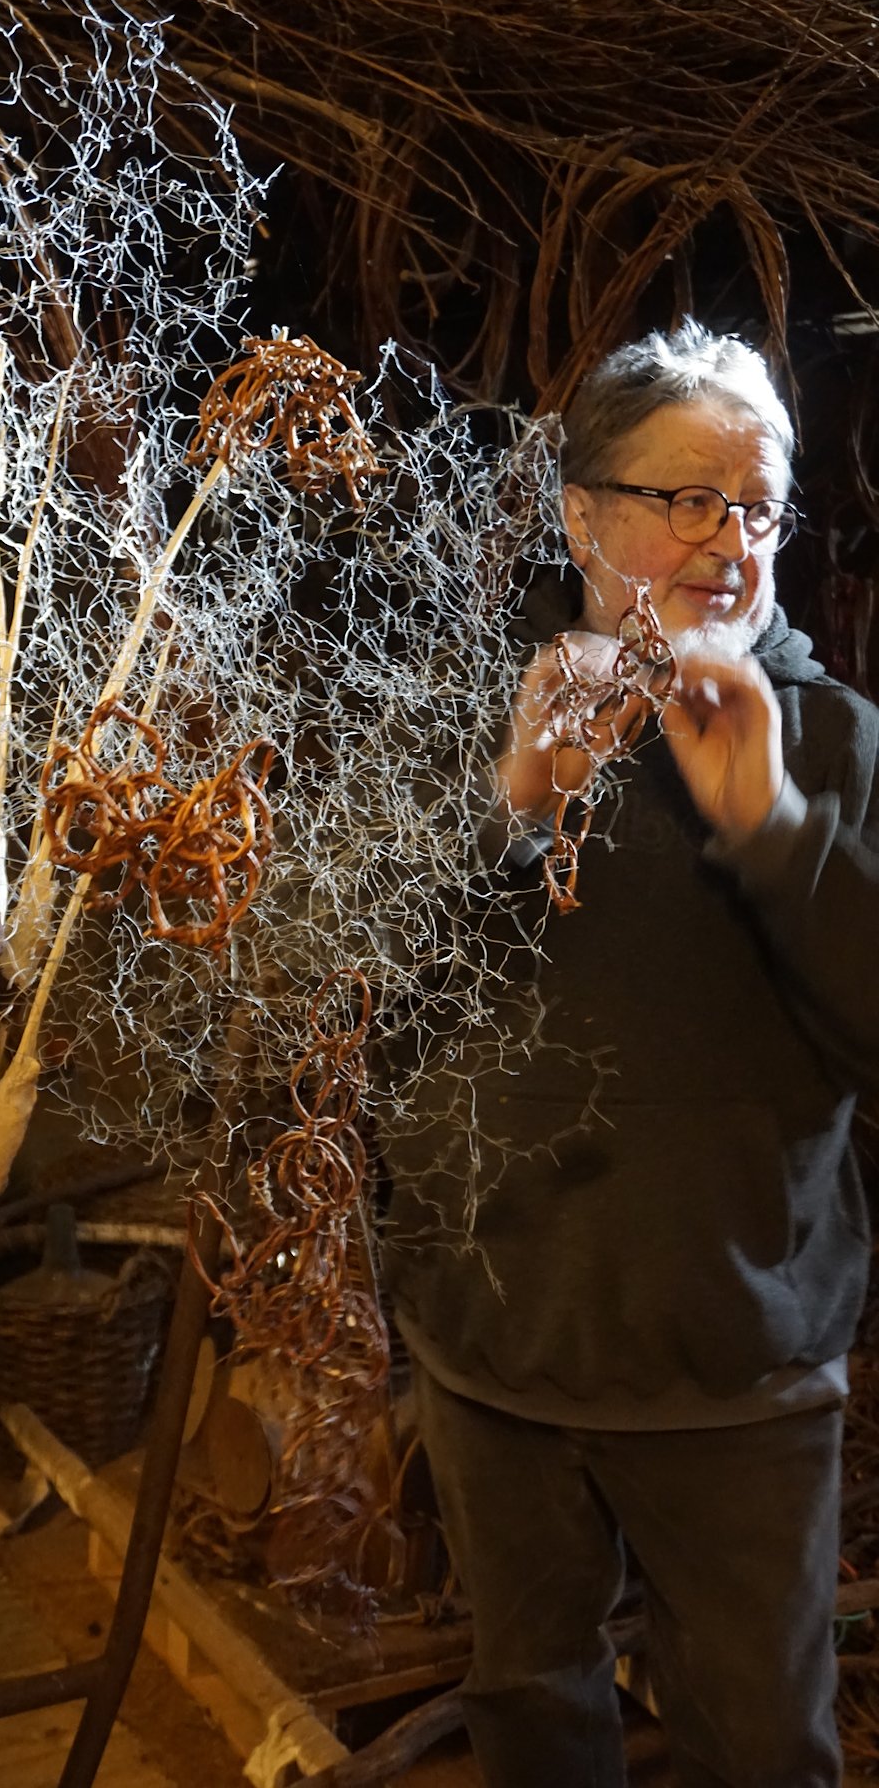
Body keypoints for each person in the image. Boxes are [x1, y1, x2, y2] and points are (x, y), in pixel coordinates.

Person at [382, 321, 879, 1787]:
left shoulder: (836, 744)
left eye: (761, 505)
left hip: (739, 1377)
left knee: (757, 1745)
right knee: (533, 1714)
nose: (732, 541)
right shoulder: (466, 722)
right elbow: (361, 1004)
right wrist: (512, 808)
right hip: (494, 1354)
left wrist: (775, 830)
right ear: (584, 512)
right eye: (689, 499)